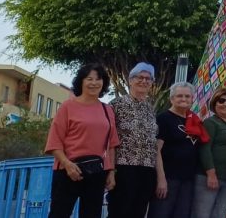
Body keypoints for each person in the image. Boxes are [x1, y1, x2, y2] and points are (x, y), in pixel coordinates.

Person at [45, 63, 119, 218]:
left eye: (98, 79)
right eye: (89, 79)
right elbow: (54, 141)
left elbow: (112, 144)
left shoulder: (108, 110)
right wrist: (67, 164)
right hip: (67, 170)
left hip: (96, 172)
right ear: (81, 82)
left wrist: (111, 172)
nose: (94, 83)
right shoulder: (67, 106)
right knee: (59, 214)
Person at [108, 62, 159, 218]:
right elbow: (109, 139)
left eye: (148, 78)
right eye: (139, 77)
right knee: (119, 211)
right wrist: (110, 171)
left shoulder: (150, 108)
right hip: (124, 167)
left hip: (147, 169)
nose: (144, 81)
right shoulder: (117, 104)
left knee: (139, 211)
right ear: (130, 80)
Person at [151, 82, 204, 218]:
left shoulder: (195, 120)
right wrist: (161, 180)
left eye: (187, 96)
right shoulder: (163, 119)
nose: (184, 99)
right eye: (179, 96)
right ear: (172, 99)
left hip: (188, 179)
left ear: (192, 99)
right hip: (169, 178)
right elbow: (156, 150)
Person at [193, 87, 226, 218]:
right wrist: (211, 174)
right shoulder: (210, 122)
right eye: (221, 100)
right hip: (209, 177)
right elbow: (205, 148)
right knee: (202, 214)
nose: (225, 104)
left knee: (219, 214)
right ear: (214, 104)